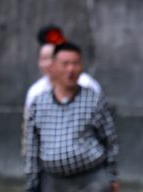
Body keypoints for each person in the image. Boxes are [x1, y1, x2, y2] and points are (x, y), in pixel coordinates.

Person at [24, 42, 118, 192]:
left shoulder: (94, 99)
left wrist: (112, 175)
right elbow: (32, 145)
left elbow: (110, 139)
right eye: (65, 64)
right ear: (53, 66)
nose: (71, 69)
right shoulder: (38, 102)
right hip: (56, 179)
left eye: (75, 64)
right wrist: (32, 184)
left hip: (92, 175)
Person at [22, 25, 102, 155]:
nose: (48, 64)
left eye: (52, 59)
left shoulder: (87, 85)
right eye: (44, 59)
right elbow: (30, 134)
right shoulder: (36, 92)